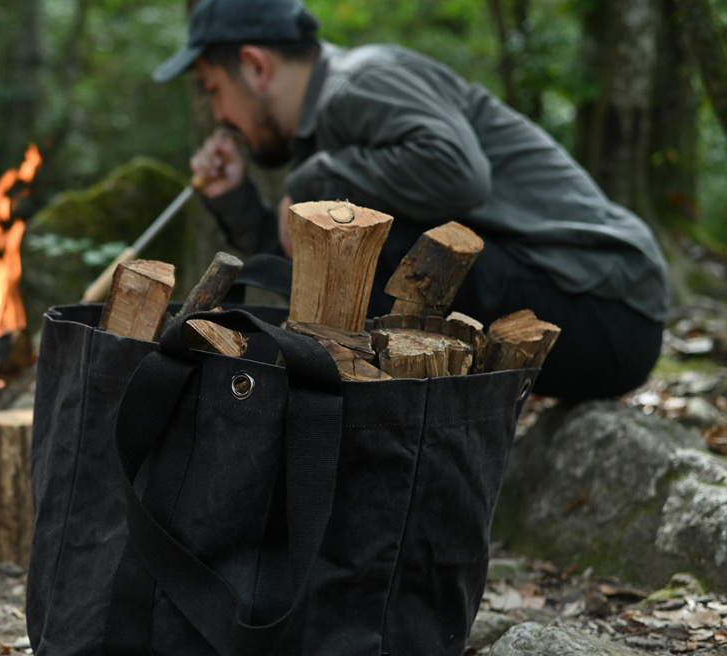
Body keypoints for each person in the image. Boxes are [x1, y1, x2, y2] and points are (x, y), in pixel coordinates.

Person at [154, 0, 671, 401]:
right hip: (587, 304)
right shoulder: (330, 126)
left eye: (214, 88)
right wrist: (237, 200)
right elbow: (303, 275)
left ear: (255, 66)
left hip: (604, 300)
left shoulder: (360, 82)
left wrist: (314, 179)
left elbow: (459, 175)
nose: (221, 116)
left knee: (371, 254)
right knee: (343, 264)